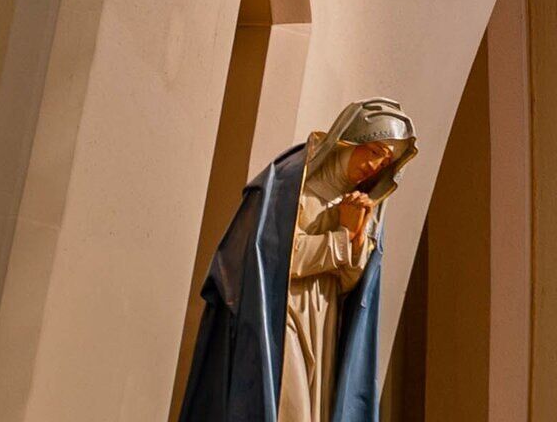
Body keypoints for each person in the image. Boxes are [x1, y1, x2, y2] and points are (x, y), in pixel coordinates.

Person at [178, 97, 418, 422]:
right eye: (375, 151)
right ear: (351, 138)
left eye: (386, 162)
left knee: (313, 409)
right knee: (289, 408)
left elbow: (350, 289)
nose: (376, 166)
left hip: (323, 319)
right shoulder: (291, 185)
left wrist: (358, 238)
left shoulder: (359, 207)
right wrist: (343, 239)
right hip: (280, 313)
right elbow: (273, 260)